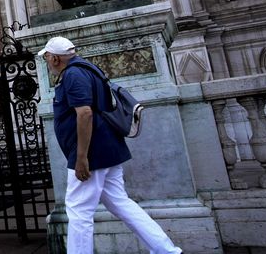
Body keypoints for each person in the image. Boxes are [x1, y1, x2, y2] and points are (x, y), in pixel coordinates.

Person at [40, 36, 182, 254]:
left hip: (93, 153)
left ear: (56, 58)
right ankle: (166, 250)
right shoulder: (87, 69)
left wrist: (81, 157)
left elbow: (84, 113)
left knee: (79, 211)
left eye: (47, 57)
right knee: (120, 203)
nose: (47, 62)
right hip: (107, 148)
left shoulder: (73, 74)